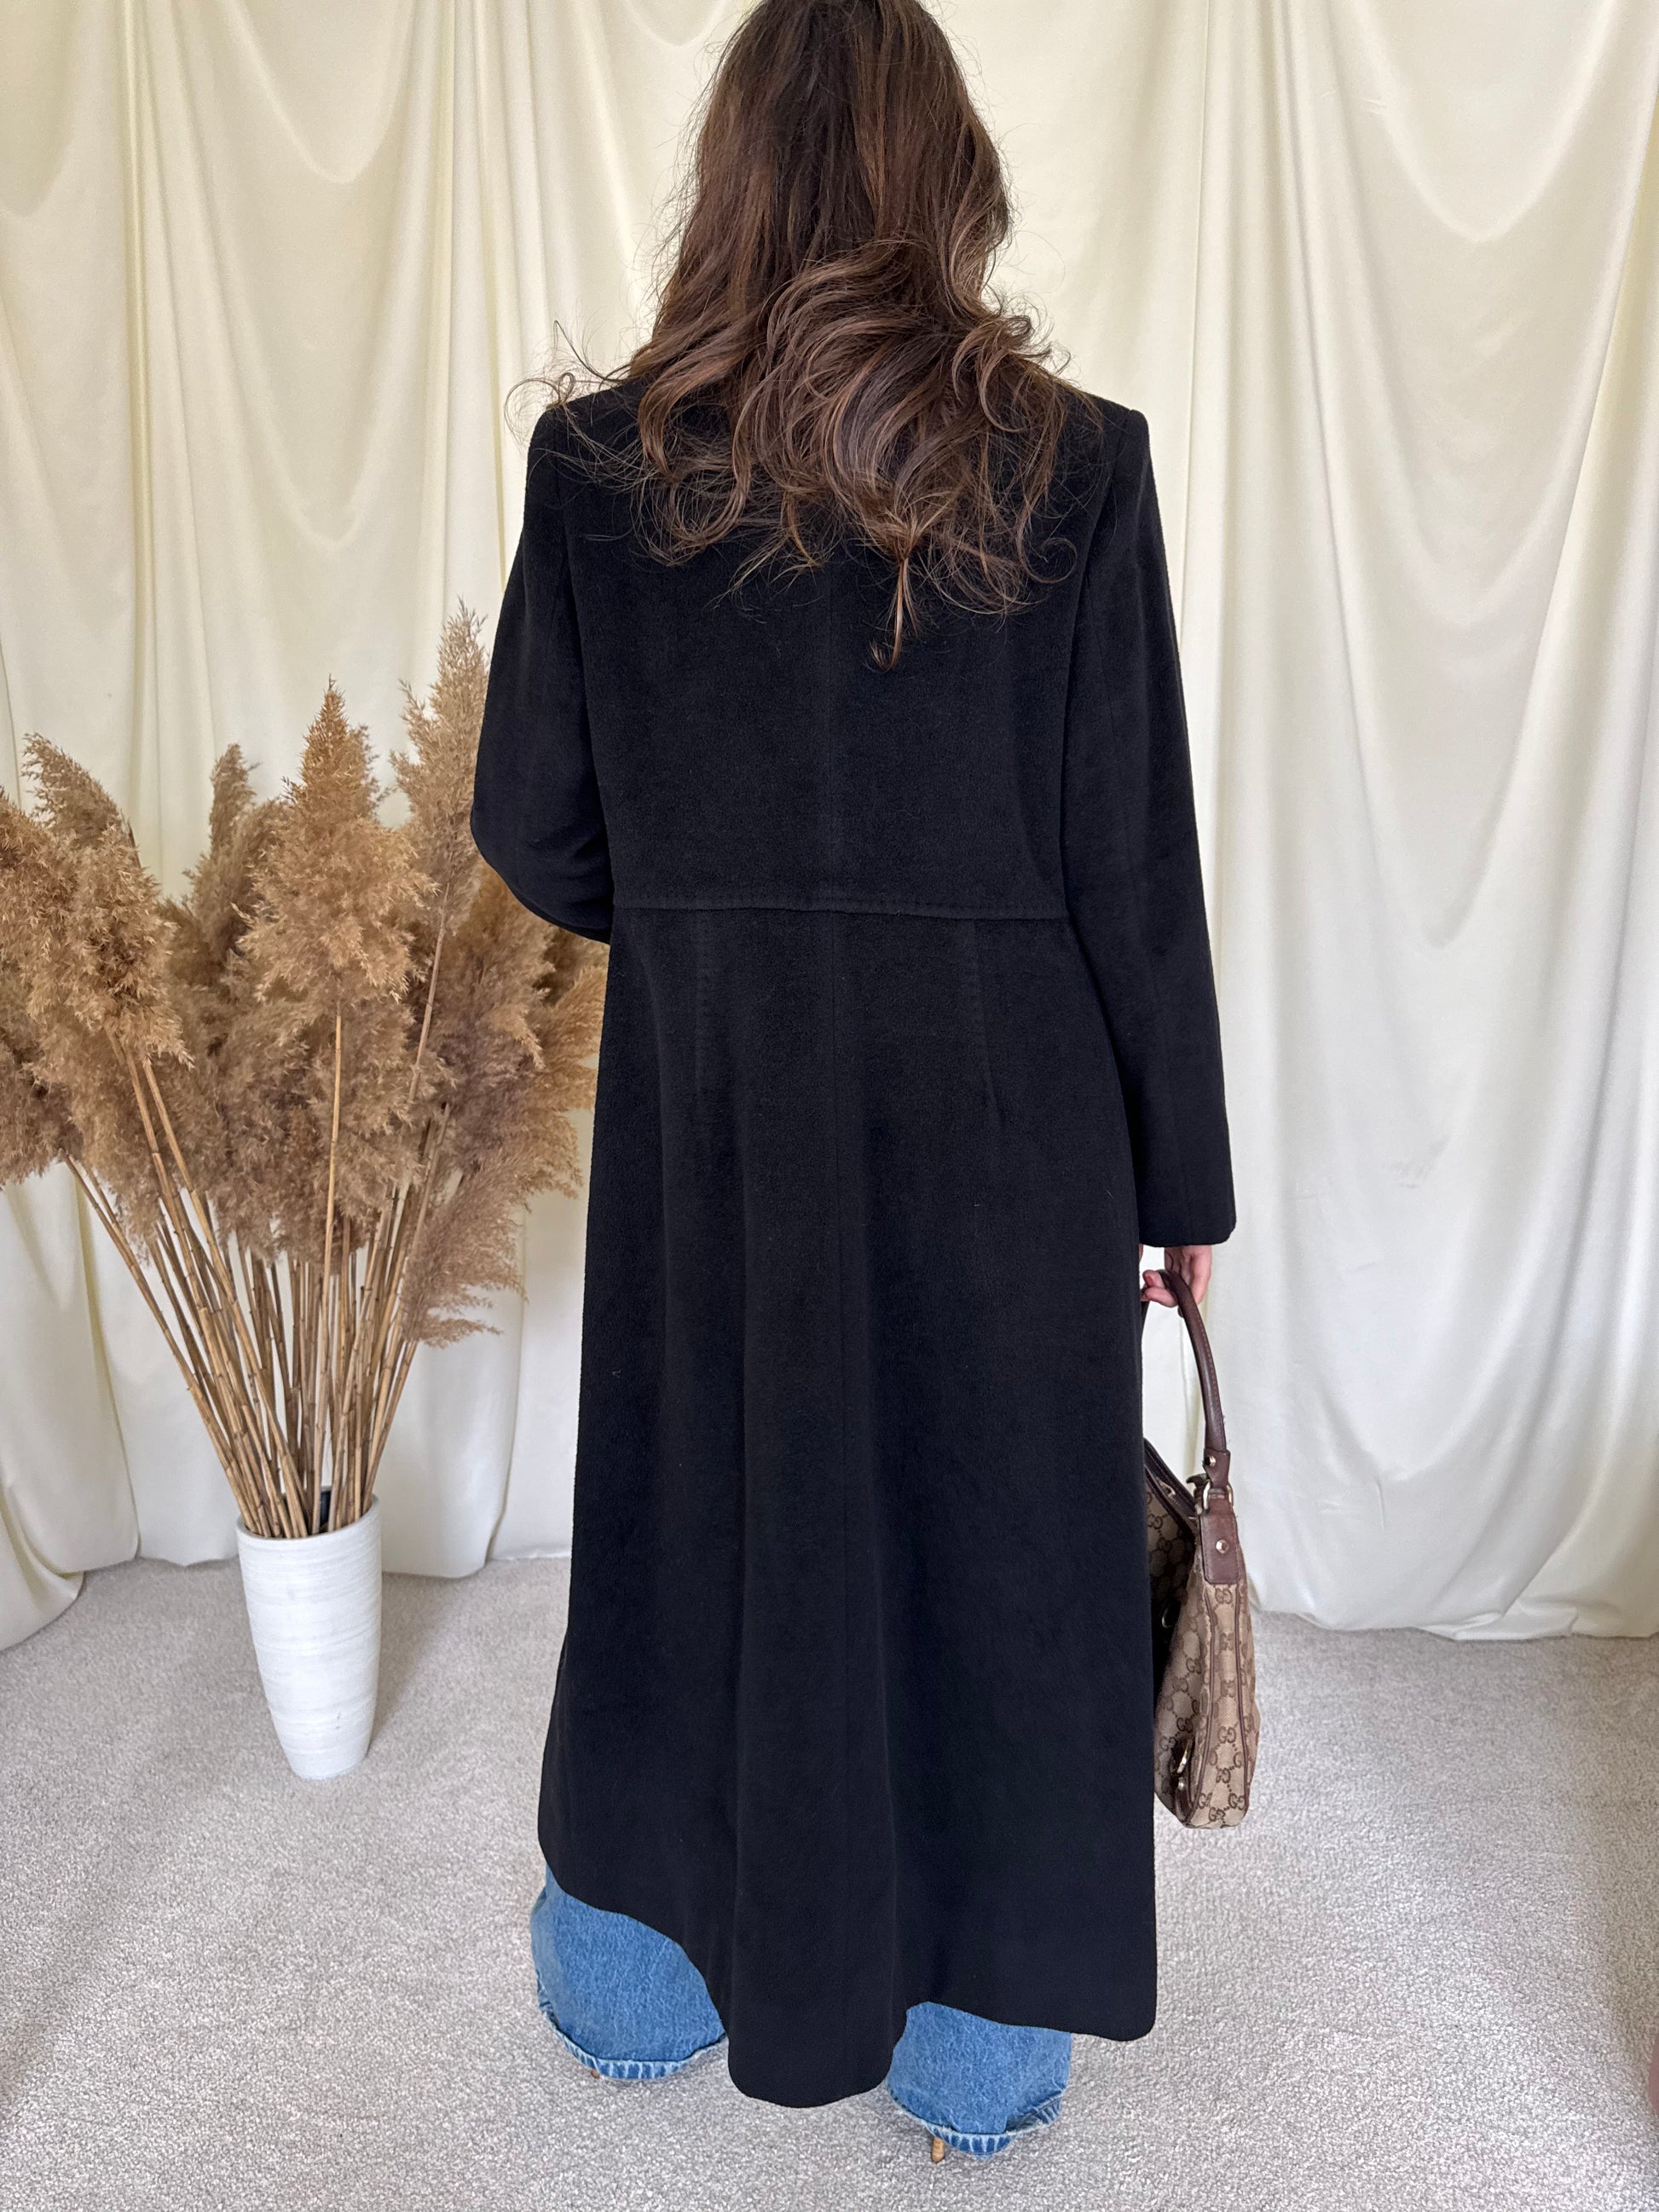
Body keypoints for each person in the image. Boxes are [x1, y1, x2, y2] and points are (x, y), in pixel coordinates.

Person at [471, 0, 1234, 2163]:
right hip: (1017, 1130)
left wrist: (709, 921)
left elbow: (535, 825)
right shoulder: (1076, 464)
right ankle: (976, 2052)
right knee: (998, 1543)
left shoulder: (600, 473)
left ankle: (638, 1979)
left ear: (726, 181)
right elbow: (1132, 870)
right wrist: (1180, 1187)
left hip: (718, 1117)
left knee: (695, 1518)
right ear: (947, 180)